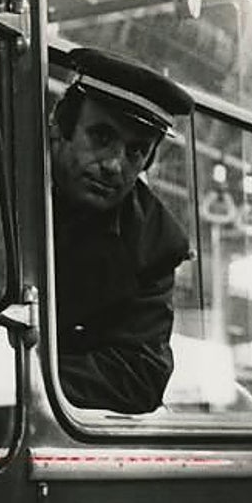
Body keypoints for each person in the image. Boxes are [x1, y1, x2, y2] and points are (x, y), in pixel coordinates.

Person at [48, 46, 193, 414]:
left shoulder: (156, 241)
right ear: (62, 127)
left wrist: (10, 373)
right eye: (101, 137)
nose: (114, 165)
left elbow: (140, 375)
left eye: (135, 152)